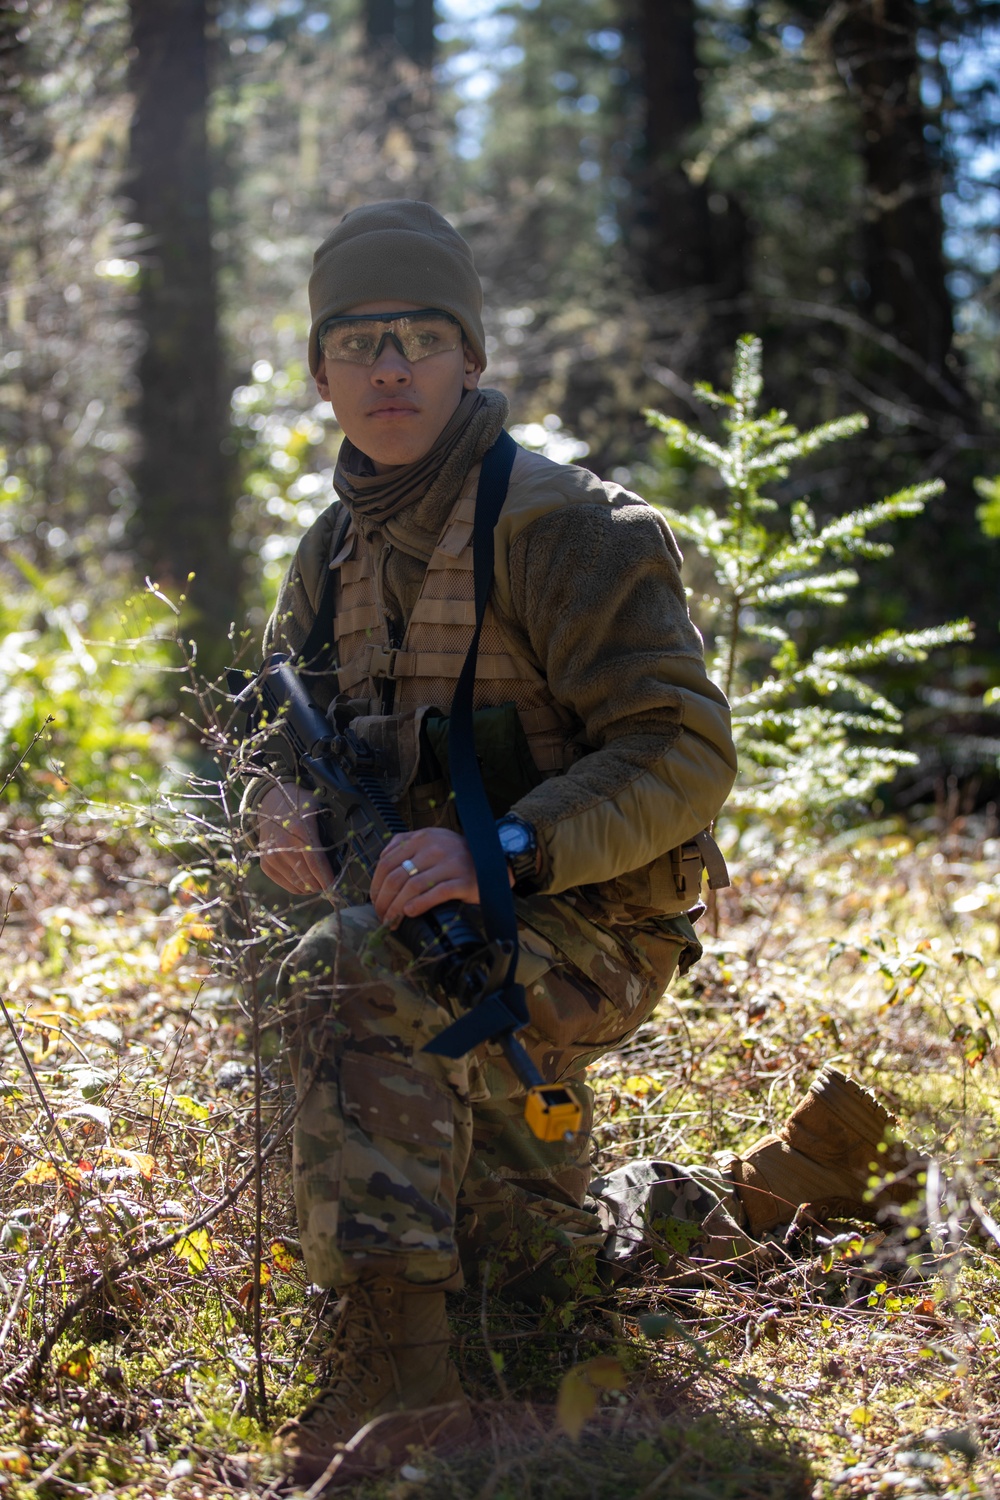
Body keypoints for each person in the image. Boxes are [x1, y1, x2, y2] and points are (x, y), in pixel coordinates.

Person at [242, 201, 913, 1488]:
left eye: (422, 338)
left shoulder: (565, 529)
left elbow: (683, 753)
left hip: (588, 925)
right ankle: (791, 1179)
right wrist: (280, 804)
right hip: (433, 928)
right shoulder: (328, 553)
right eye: (359, 340)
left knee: (344, 970)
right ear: (319, 371)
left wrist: (502, 847)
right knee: (530, 1257)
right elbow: (289, 723)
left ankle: (394, 1403)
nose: (390, 368)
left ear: (471, 361)